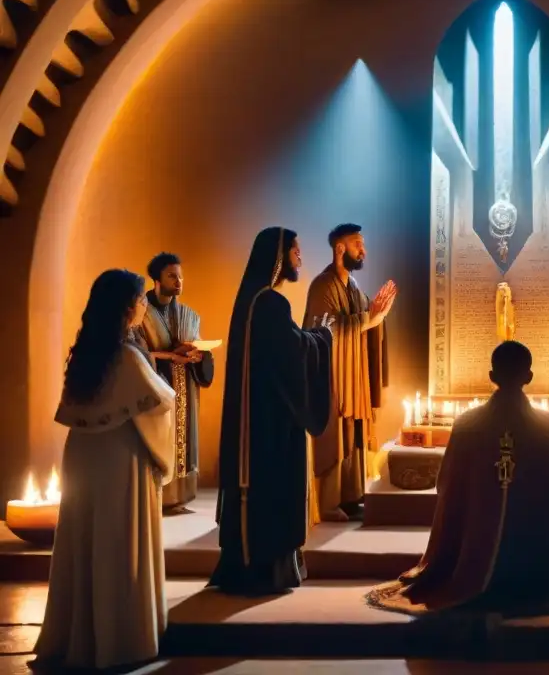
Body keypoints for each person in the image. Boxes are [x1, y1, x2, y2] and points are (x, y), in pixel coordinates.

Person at [366, 341, 549, 616]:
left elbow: (447, 485)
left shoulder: (468, 423)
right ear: (529, 377)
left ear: (491, 376)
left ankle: (479, 579)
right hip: (534, 567)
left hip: (473, 555)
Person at [34, 270, 176, 670]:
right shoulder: (128, 356)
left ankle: (81, 636)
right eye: (140, 299)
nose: (145, 304)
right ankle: (121, 642)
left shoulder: (86, 352)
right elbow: (161, 402)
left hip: (83, 456)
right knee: (117, 544)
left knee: (86, 544)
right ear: (127, 306)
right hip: (120, 459)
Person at [210, 227, 334, 596]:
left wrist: (308, 338)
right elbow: (292, 354)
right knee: (274, 490)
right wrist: (322, 339)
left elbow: (284, 349)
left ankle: (250, 567)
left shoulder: (251, 299)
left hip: (259, 413)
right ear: (279, 258)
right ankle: (266, 571)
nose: (300, 259)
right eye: (296, 253)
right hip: (269, 423)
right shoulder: (269, 303)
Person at [305, 223, 394, 522]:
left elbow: (366, 321)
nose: (363, 250)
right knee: (334, 435)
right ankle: (329, 502)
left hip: (354, 375)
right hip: (330, 376)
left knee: (354, 432)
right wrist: (370, 318)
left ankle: (351, 495)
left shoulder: (354, 288)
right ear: (340, 248)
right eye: (358, 244)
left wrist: (378, 317)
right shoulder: (322, 286)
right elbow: (323, 330)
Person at [137, 252, 215, 511]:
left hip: (185, 388)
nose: (179, 281)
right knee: (159, 440)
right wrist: (170, 356)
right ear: (156, 280)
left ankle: (179, 498)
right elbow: (134, 352)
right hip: (156, 388)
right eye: (172, 276)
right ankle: (156, 498)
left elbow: (198, 343)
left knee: (183, 442)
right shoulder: (140, 313)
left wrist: (197, 353)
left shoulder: (188, 314)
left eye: (180, 276)